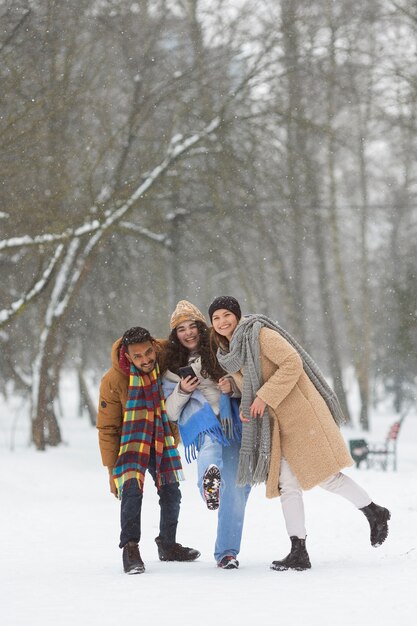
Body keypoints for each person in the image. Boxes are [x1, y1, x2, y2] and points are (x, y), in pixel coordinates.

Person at [209, 295, 391, 571]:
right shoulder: (230, 349)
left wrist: (264, 397)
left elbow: (292, 364)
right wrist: (235, 390)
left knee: (327, 477)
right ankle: (299, 550)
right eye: (216, 318)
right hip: (278, 423)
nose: (222, 322)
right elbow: (253, 383)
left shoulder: (260, 334)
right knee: (288, 485)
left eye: (226, 315)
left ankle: (374, 512)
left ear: (237, 314)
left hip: (300, 413)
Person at [97, 326, 200, 574]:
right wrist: (112, 472)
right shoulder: (113, 379)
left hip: (160, 438)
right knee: (131, 492)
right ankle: (130, 549)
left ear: (154, 346)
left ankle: (168, 544)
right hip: (130, 443)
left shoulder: (164, 359)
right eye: (138, 356)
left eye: (148, 352)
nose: (145, 359)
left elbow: (185, 339)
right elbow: (107, 427)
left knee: (171, 491)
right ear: (128, 355)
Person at [161, 300, 251, 569]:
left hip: (232, 421)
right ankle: (208, 486)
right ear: (175, 336)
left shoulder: (222, 353)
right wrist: (184, 391)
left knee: (236, 488)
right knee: (210, 446)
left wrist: (230, 387)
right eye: (181, 329)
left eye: (192, 327)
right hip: (202, 422)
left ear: (202, 328)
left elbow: (245, 386)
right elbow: (170, 412)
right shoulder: (171, 368)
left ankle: (226, 553)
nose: (188, 333)